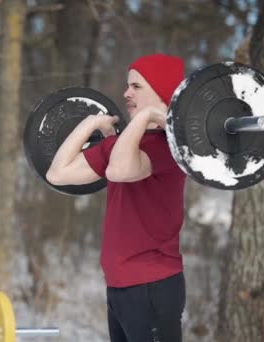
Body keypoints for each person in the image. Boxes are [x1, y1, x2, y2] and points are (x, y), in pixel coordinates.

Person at [46, 54, 187, 342]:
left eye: (136, 86)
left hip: (154, 285)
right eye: (127, 86)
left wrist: (147, 118)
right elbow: (57, 173)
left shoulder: (170, 147)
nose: (126, 93)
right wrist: (90, 123)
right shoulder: (122, 144)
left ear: (161, 91)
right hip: (119, 286)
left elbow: (120, 170)